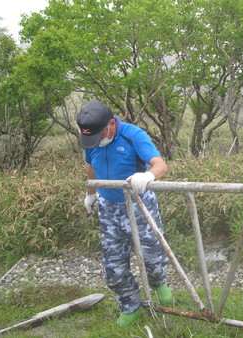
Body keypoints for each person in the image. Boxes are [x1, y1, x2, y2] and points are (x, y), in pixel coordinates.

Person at [76, 100, 173, 327]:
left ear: (111, 124)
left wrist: (148, 176)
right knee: (114, 267)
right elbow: (91, 165)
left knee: (152, 256)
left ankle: (159, 283)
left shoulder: (133, 135)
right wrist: (91, 193)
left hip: (138, 204)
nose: (96, 142)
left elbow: (160, 164)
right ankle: (131, 307)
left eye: (99, 136)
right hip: (108, 209)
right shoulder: (92, 140)